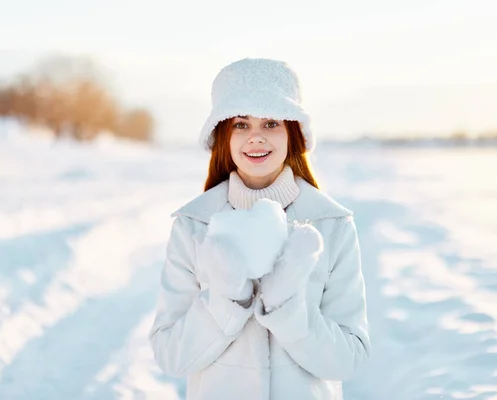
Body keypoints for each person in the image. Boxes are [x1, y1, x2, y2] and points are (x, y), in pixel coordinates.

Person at [149, 58, 370, 400]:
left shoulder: (331, 226)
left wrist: (287, 309)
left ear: (292, 133)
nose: (255, 137)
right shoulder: (193, 227)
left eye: (270, 123)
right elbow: (170, 355)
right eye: (240, 124)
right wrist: (227, 300)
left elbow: (349, 359)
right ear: (222, 134)